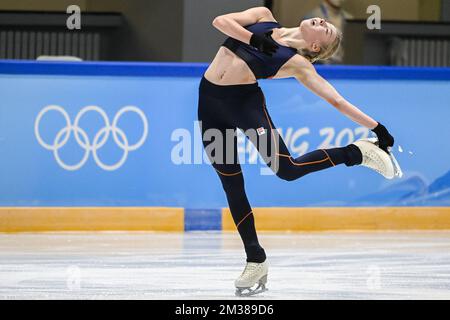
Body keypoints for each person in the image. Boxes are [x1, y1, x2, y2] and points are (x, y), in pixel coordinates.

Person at [198, 7, 395, 296]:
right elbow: (219, 21)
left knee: (287, 169)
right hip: (209, 102)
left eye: (325, 29)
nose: (322, 21)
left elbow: (337, 101)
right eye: (325, 22)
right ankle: (256, 260)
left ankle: (356, 153)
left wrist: (376, 127)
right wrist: (254, 40)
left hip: (244, 105)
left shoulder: (297, 64)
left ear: (315, 46)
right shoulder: (263, 16)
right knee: (232, 184)